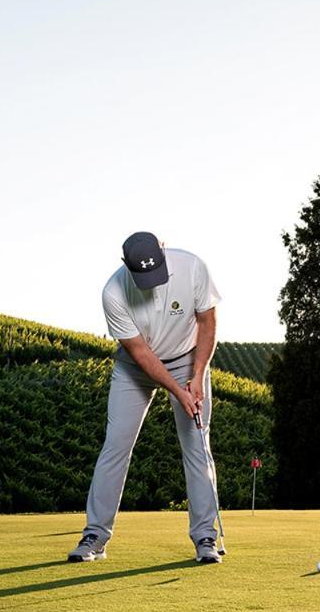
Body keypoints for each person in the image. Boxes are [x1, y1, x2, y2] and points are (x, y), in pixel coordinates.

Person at [68, 231, 225, 564]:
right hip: (135, 368)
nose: (152, 283)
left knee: (197, 445)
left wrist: (196, 376)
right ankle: (95, 535)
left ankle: (206, 537)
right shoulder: (113, 292)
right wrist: (176, 390)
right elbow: (141, 353)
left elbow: (207, 322)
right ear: (126, 266)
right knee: (116, 445)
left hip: (187, 357)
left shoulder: (193, 267)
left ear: (164, 250)